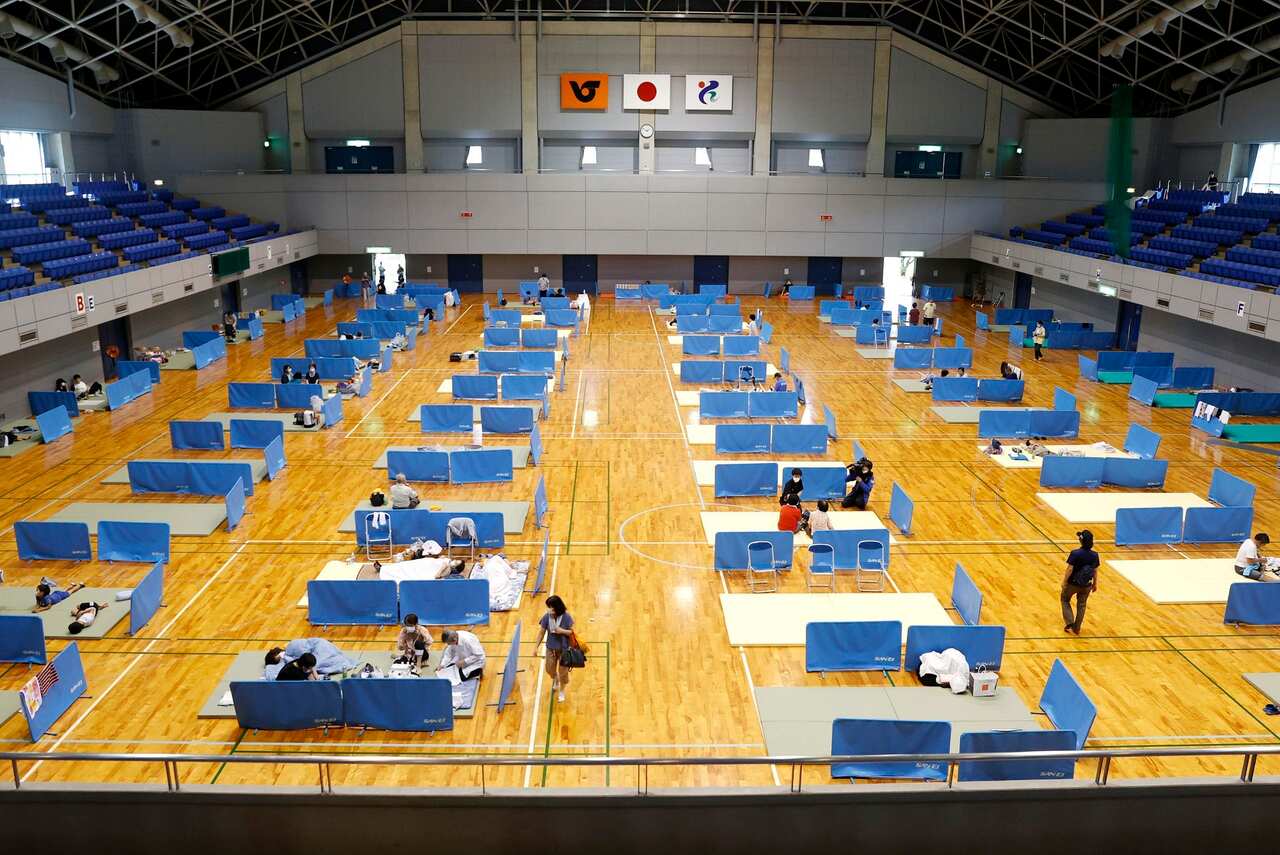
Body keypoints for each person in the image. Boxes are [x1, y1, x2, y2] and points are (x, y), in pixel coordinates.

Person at [534, 595, 575, 703]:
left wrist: (561, 631)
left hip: (564, 649)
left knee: (563, 672)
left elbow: (571, 632)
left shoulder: (567, 617)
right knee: (549, 669)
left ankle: (562, 691)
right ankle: (555, 679)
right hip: (550, 649)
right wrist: (536, 647)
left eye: (551, 607)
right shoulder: (546, 617)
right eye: (548, 607)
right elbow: (541, 632)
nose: (549, 609)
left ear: (557, 607)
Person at [1061, 530, 1100, 634]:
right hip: (1086, 585)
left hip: (1072, 584)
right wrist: (1095, 584)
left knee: (1065, 599)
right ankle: (1077, 628)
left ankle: (1070, 623)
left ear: (1081, 541)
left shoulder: (1075, 553)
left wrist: (1064, 582)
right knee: (1082, 605)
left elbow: (1070, 569)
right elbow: (1095, 571)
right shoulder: (1095, 555)